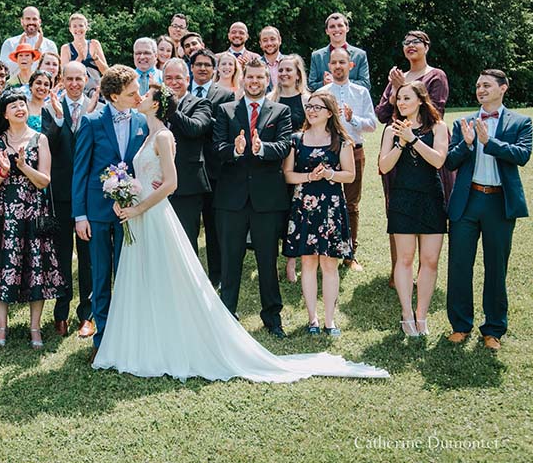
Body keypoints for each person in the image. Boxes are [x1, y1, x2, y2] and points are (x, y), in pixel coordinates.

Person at [93, 86, 388, 382]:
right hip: (145, 216)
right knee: (147, 277)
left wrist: (139, 206)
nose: (139, 97)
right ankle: (145, 340)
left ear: (157, 105)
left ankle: (174, 340)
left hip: (155, 214)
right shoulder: (148, 134)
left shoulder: (164, 135)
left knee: (172, 276)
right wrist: (126, 194)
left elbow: (171, 183)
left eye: (145, 95)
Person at [0, 90, 64, 348]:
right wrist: (3, 171)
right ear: (5, 114)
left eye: (23, 104)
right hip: (2, 215)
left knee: (36, 269)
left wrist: (23, 167)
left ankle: (35, 328)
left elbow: (44, 180)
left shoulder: (40, 139)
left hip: (33, 212)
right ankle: (1, 327)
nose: (20, 109)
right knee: (2, 266)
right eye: (14, 106)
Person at [445, 69, 532, 351]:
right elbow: (450, 162)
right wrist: (468, 144)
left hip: (499, 203)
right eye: (478, 85)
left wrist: (489, 143)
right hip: (468, 201)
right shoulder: (464, 122)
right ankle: (460, 325)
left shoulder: (521, 122)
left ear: (503, 88)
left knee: (496, 267)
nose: (480, 90)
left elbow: (522, 156)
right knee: (459, 265)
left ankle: (493, 329)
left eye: (486, 85)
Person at [72, 65, 148, 359]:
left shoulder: (142, 121)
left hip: (132, 212)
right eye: (132, 92)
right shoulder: (91, 122)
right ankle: (101, 340)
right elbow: (80, 171)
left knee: (129, 275)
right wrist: (80, 216)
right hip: (99, 213)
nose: (138, 96)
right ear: (114, 96)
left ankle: (129, 336)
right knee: (101, 276)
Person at [213, 58, 292, 337]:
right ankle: (226, 318)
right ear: (243, 79)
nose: (255, 82)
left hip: (267, 200)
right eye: (251, 77)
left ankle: (272, 318)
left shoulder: (281, 111)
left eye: (260, 77)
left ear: (267, 80)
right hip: (231, 200)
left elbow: (284, 145)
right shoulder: (225, 111)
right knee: (230, 261)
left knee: (267, 262)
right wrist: (234, 150)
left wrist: (262, 148)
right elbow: (217, 147)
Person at [375, 31, 451, 288]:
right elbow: (382, 113)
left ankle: (424, 271)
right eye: (405, 42)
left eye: (415, 42)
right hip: (396, 147)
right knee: (397, 208)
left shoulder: (436, 75)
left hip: (425, 150)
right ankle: (400, 270)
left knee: (426, 207)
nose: (410, 46)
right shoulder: (398, 77)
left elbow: (435, 112)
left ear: (427, 46)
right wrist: (395, 89)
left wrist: (413, 134)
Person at [378, 82, 448, 337]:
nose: (401, 103)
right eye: (398, 99)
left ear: (421, 100)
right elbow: (384, 167)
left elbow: (439, 160)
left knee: (430, 261)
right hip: (403, 199)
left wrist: (414, 139)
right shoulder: (390, 130)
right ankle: (407, 313)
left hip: (431, 197)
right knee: (405, 259)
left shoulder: (439, 127)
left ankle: (422, 314)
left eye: (407, 98)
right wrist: (400, 143)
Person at [283, 92, 355, 336]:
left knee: (329, 264)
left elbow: (350, 175)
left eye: (317, 107)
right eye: (309, 106)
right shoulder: (296, 139)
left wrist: (330, 175)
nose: (311, 111)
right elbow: (288, 174)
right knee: (308, 262)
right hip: (304, 207)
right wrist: (310, 177)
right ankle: (312, 318)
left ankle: (329, 320)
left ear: (329, 112)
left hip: (331, 208)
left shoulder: (341, 142)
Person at [42, 61, 99, 338]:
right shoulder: (50, 108)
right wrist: (61, 120)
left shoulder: (97, 108)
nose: (75, 84)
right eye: (70, 78)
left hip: (89, 194)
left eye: (79, 78)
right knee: (62, 254)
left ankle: (86, 314)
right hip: (61, 193)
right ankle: (61, 312)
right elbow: (48, 145)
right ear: (62, 80)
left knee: (88, 257)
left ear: (86, 79)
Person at [317, 47, 377, 271]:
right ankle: (326, 248)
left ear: (350, 66)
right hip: (328, 151)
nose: (338, 66)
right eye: (334, 63)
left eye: (342, 62)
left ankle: (350, 254)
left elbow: (372, 125)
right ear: (329, 66)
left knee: (351, 204)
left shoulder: (361, 93)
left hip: (354, 150)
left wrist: (353, 120)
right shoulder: (322, 92)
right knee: (326, 202)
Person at [190, 49, 235, 287]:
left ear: (214, 69)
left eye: (208, 65)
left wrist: (201, 122)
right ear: (192, 67)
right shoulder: (182, 92)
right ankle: (192, 274)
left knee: (214, 227)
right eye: (198, 64)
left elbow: (225, 127)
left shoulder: (225, 95)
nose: (203, 68)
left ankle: (216, 275)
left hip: (215, 169)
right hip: (187, 169)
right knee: (189, 226)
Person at [162, 58, 212, 254]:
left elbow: (194, 129)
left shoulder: (201, 104)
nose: (173, 83)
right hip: (158, 183)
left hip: (188, 184)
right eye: (168, 78)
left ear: (188, 79)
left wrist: (169, 107)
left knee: (186, 240)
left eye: (178, 78)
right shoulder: (155, 106)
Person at [268, 54, 311, 283]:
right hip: (275, 166)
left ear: (297, 74)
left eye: (288, 70)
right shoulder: (270, 98)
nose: (284, 74)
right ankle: (272, 261)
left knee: (297, 213)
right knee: (277, 214)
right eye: (281, 70)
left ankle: (292, 262)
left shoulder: (307, 100)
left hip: (300, 165)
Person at [308, 13, 370, 92]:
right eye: (332, 26)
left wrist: (338, 81)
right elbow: (311, 86)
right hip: (325, 102)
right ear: (327, 31)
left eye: (340, 25)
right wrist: (324, 83)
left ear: (347, 28)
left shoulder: (360, 55)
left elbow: (365, 84)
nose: (336, 29)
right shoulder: (317, 56)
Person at [0, 6, 58, 76]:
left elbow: (54, 71)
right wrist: (18, 52)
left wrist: (38, 50)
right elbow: (3, 71)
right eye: (28, 19)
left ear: (39, 22)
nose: (31, 22)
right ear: (22, 21)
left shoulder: (50, 45)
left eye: (34, 19)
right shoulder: (10, 43)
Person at [59, 13, 108, 95]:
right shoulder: (66, 48)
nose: (78, 29)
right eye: (74, 26)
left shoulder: (94, 44)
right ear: (70, 29)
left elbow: (106, 72)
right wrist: (79, 58)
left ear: (86, 27)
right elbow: (64, 75)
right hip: (75, 91)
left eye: (81, 25)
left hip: (96, 91)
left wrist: (96, 58)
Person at [258, 26, 284, 91]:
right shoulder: (255, 66)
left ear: (279, 40)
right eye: (265, 40)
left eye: (272, 39)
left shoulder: (290, 63)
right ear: (260, 44)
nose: (269, 43)